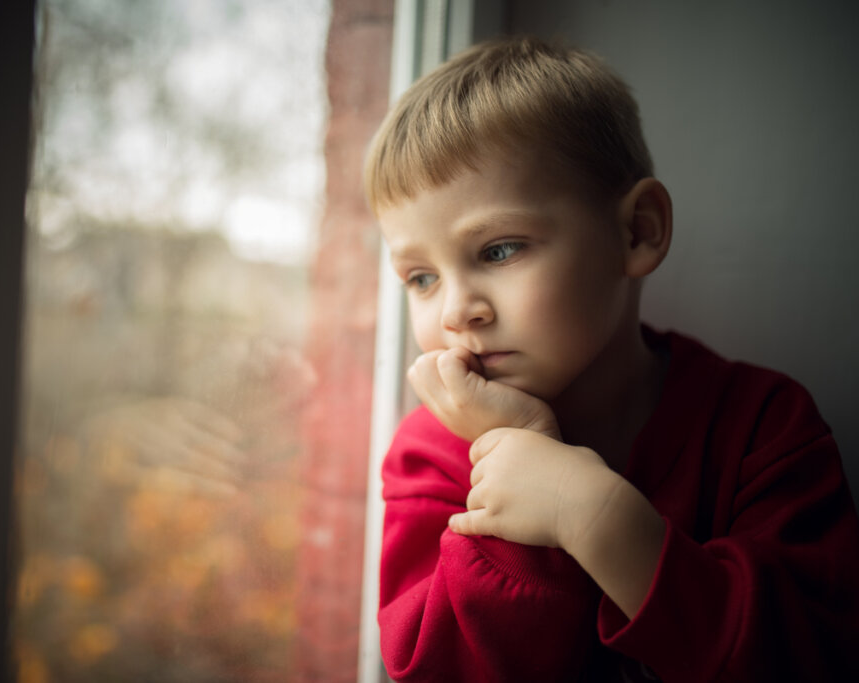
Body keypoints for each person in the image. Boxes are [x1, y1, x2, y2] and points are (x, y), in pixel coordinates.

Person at [363, 36, 859, 682]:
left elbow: (813, 657)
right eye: (421, 278)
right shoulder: (429, 454)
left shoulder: (765, 427)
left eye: (498, 250)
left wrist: (592, 514)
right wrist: (512, 449)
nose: (456, 311)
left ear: (637, 231)